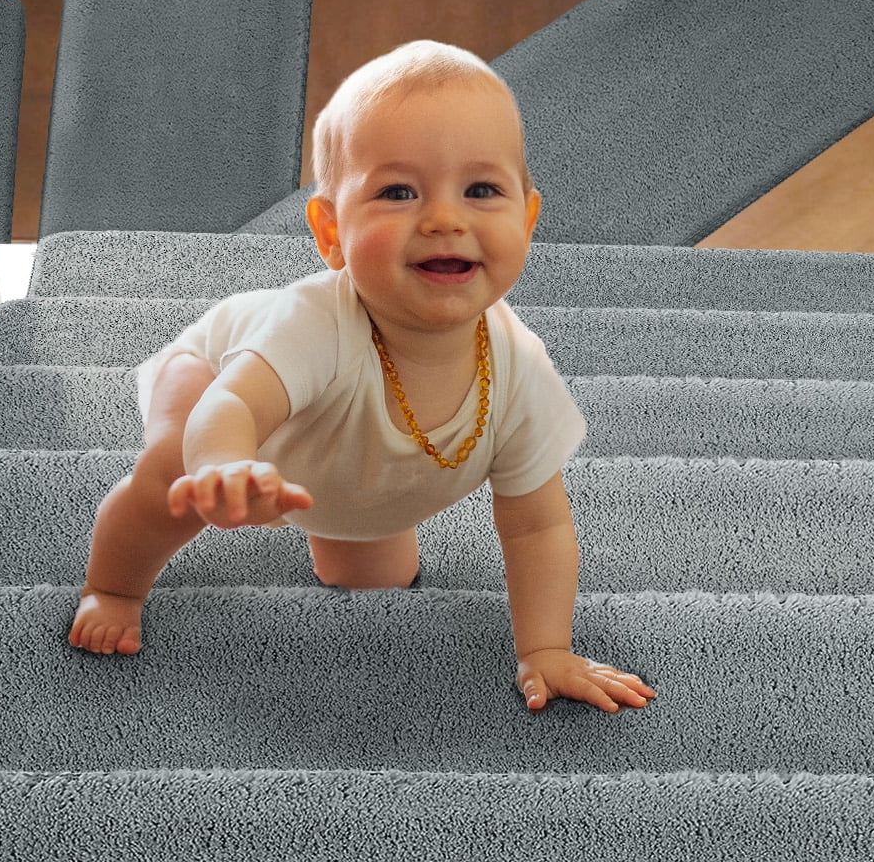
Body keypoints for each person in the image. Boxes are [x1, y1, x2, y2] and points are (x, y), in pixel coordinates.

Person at [66, 39, 659, 716]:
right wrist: (223, 465)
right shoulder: (313, 325)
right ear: (330, 231)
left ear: (526, 217)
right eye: (398, 192)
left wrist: (545, 649)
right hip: (218, 373)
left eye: (482, 189)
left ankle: (332, 518)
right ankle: (112, 585)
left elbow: (535, 527)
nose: (444, 218)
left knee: (373, 580)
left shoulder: (517, 368)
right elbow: (230, 403)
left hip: (347, 468)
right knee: (172, 473)